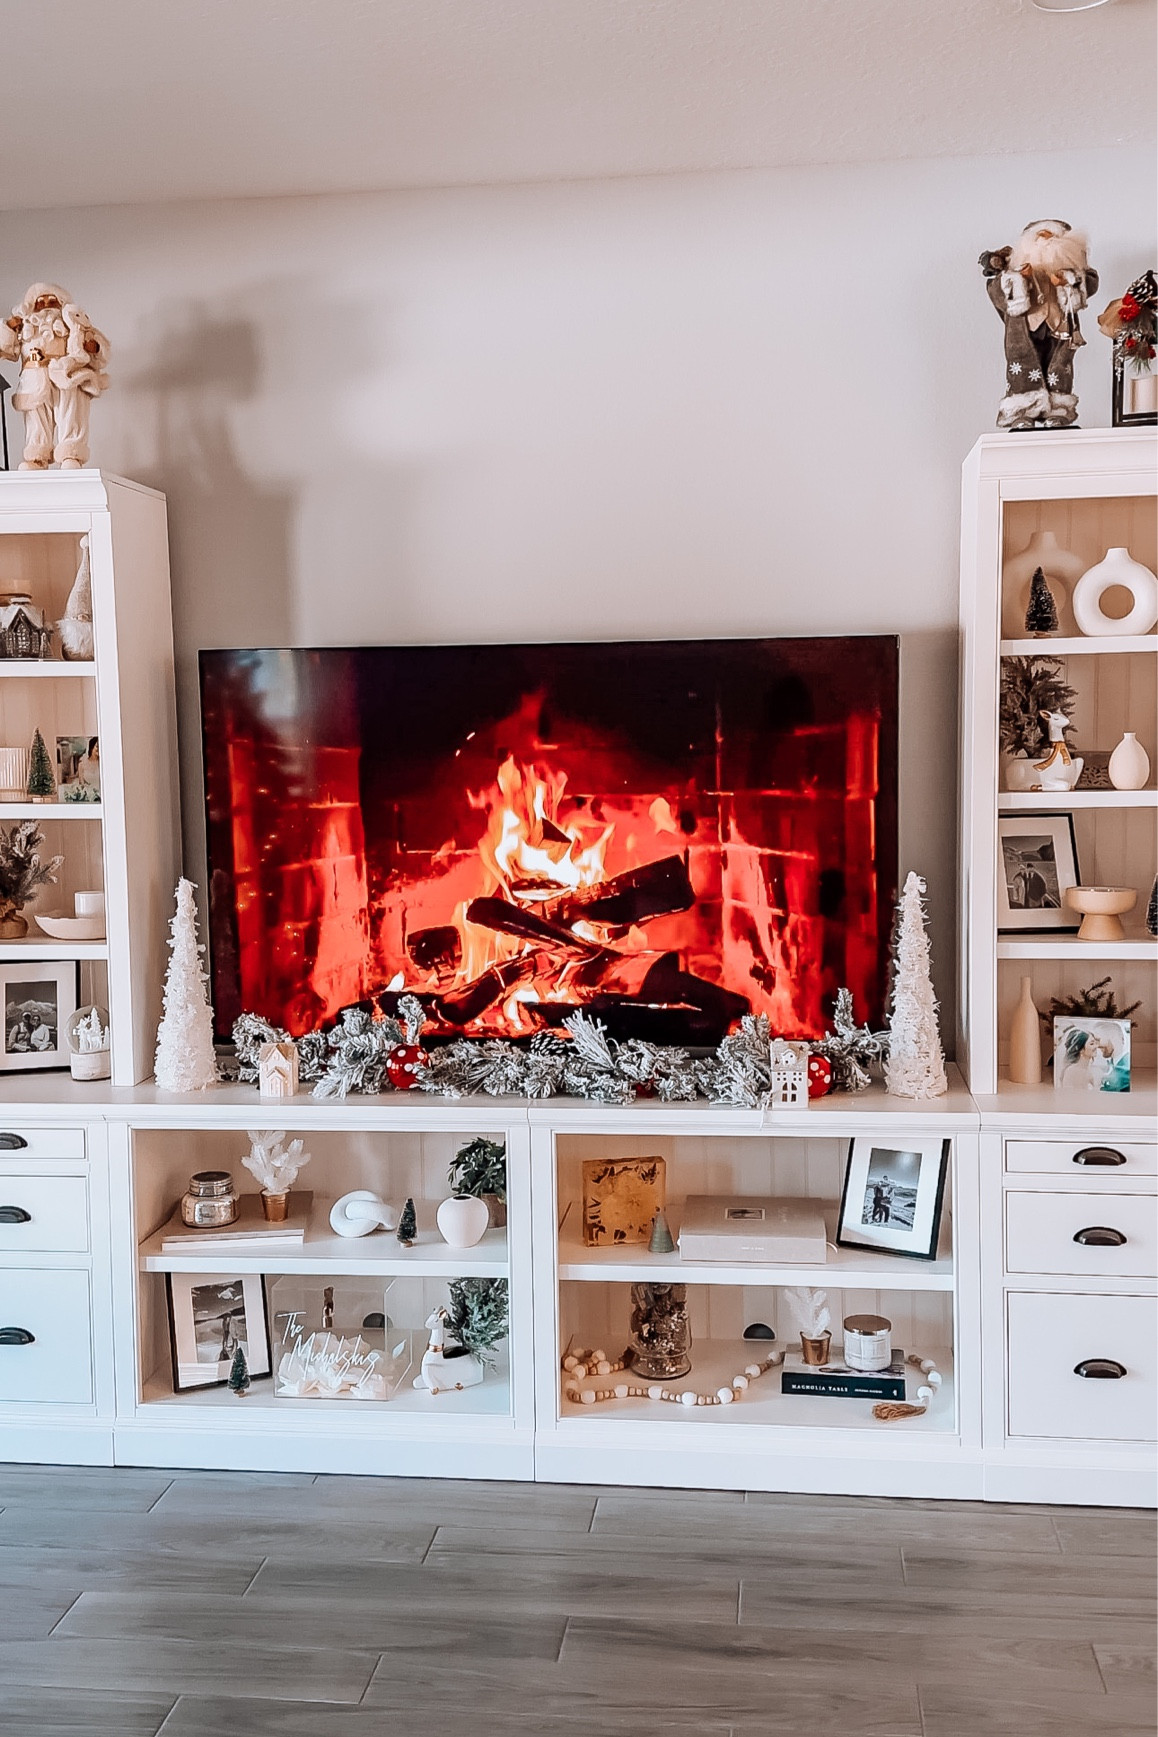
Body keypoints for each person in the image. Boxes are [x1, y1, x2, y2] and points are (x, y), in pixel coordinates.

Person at [980, 221, 1098, 430]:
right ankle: (1023, 411)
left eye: (1051, 238)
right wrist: (1018, 279)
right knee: (1023, 368)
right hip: (1026, 328)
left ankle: (1058, 410)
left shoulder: (1071, 264)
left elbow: (1090, 282)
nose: (1045, 243)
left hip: (1058, 326)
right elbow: (995, 290)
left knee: (1059, 367)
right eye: (1040, 237)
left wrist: (1067, 280)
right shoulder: (1014, 263)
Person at [0, 284, 110, 469]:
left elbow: (98, 346)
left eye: (52, 301)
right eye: (40, 302)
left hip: (64, 374)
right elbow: (4, 349)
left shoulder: (71, 322)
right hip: (33, 377)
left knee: (70, 413)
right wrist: (9, 327)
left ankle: (71, 454)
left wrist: (95, 347)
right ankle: (37, 456)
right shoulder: (25, 326)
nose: (46, 306)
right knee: (36, 418)